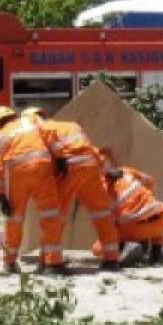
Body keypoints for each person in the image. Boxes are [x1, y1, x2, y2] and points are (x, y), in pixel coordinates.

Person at [24, 107, 121, 270]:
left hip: (69, 168)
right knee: (101, 213)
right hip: (89, 165)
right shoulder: (72, 126)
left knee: (55, 216)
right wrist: (103, 168)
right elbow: (89, 148)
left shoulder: (41, 129)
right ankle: (112, 259)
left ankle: (50, 261)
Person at [0, 106, 65, 274]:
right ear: (13, 115)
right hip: (42, 170)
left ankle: (9, 263)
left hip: (17, 176)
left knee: (14, 219)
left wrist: (0, 195)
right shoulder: (31, 121)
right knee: (50, 216)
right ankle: (52, 264)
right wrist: (59, 158)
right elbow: (50, 132)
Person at [100, 162, 163, 266]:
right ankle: (156, 255)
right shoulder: (126, 171)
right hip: (162, 218)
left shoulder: (100, 186)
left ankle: (128, 250)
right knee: (157, 213)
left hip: (133, 227)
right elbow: (149, 180)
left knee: (102, 244)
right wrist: (145, 197)